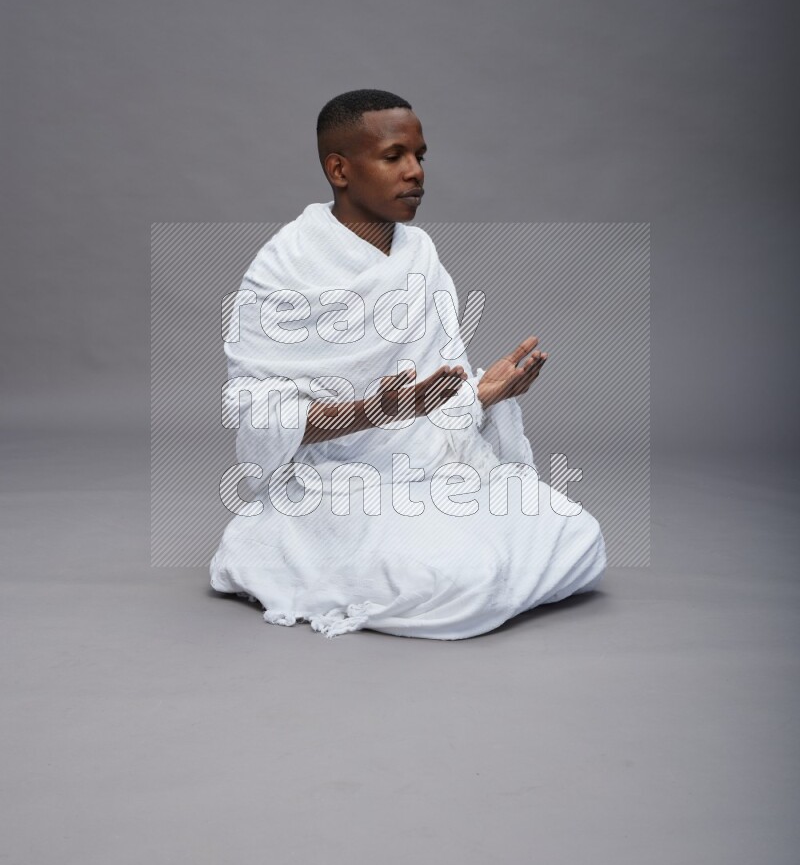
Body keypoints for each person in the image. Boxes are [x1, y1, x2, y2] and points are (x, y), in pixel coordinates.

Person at [209, 89, 606, 638]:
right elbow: (259, 416)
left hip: (434, 467)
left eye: (419, 156)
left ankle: (451, 552)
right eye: (394, 156)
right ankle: (294, 545)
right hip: (339, 484)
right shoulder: (283, 268)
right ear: (339, 169)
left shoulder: (420, 255)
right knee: (464, 580)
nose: (415, 172)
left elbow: (433, 399)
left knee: (578, 536)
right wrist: (371, 412)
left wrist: (480, 395)